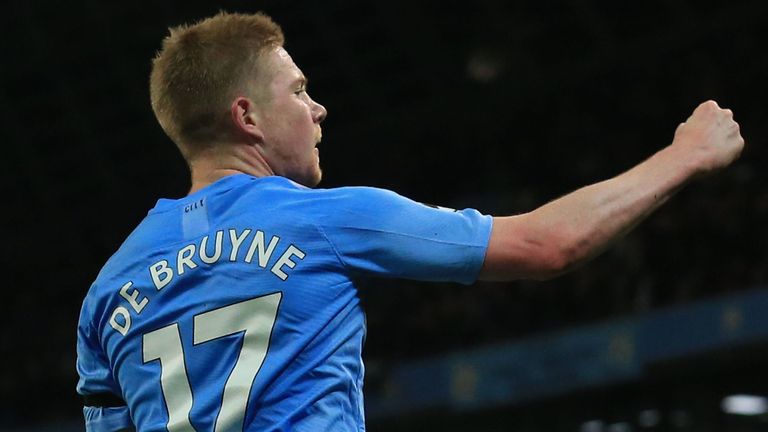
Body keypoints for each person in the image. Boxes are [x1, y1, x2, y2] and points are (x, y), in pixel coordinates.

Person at [75, 11, 744, 432]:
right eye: (300, 90)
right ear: (247, 117)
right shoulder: (326, 220)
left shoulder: (107, 292)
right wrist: (683, 156)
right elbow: (546, 245)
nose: (319, 109)